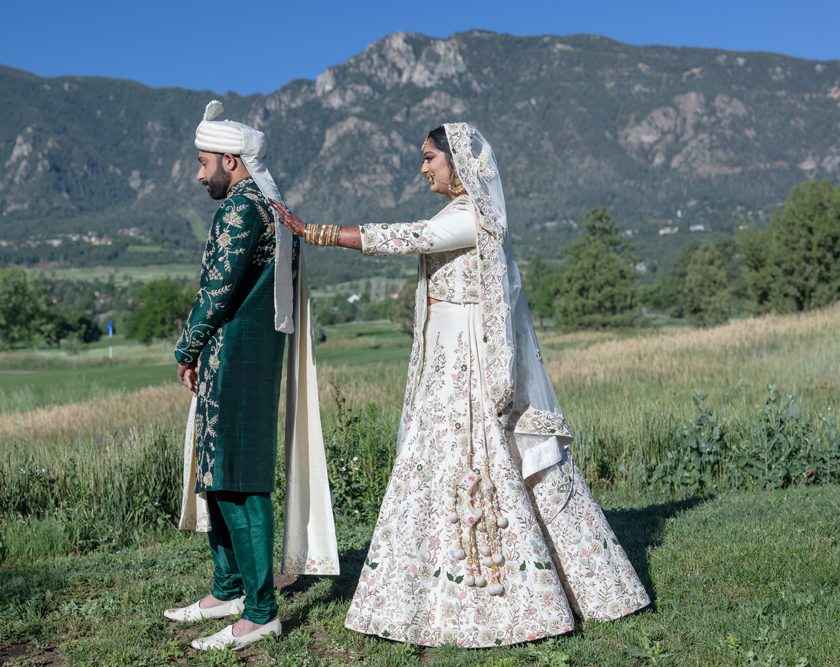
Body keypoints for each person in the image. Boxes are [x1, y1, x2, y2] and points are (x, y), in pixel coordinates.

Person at [271, 122, 650, 647]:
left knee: (472, 463)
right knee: (433, 465)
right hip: (445, 362)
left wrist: (316, 232)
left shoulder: (474, 216)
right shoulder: (456, 213)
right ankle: (425, 592)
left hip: (467, 366)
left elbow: (408, 238)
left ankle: (510, 599)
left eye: (430, 157)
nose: (423, 167)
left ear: (458, 163)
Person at [165, 100, 339, 652]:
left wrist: (187, 346)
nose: (198, 173)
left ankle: (260, 609)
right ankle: (228, 588)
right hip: (239, 351)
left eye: (202, 161)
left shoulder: (243, 209)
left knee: (239, 480)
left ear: (231, 160)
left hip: (236, 353)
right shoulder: (266, 204)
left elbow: (217, 289)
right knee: (217, 474)